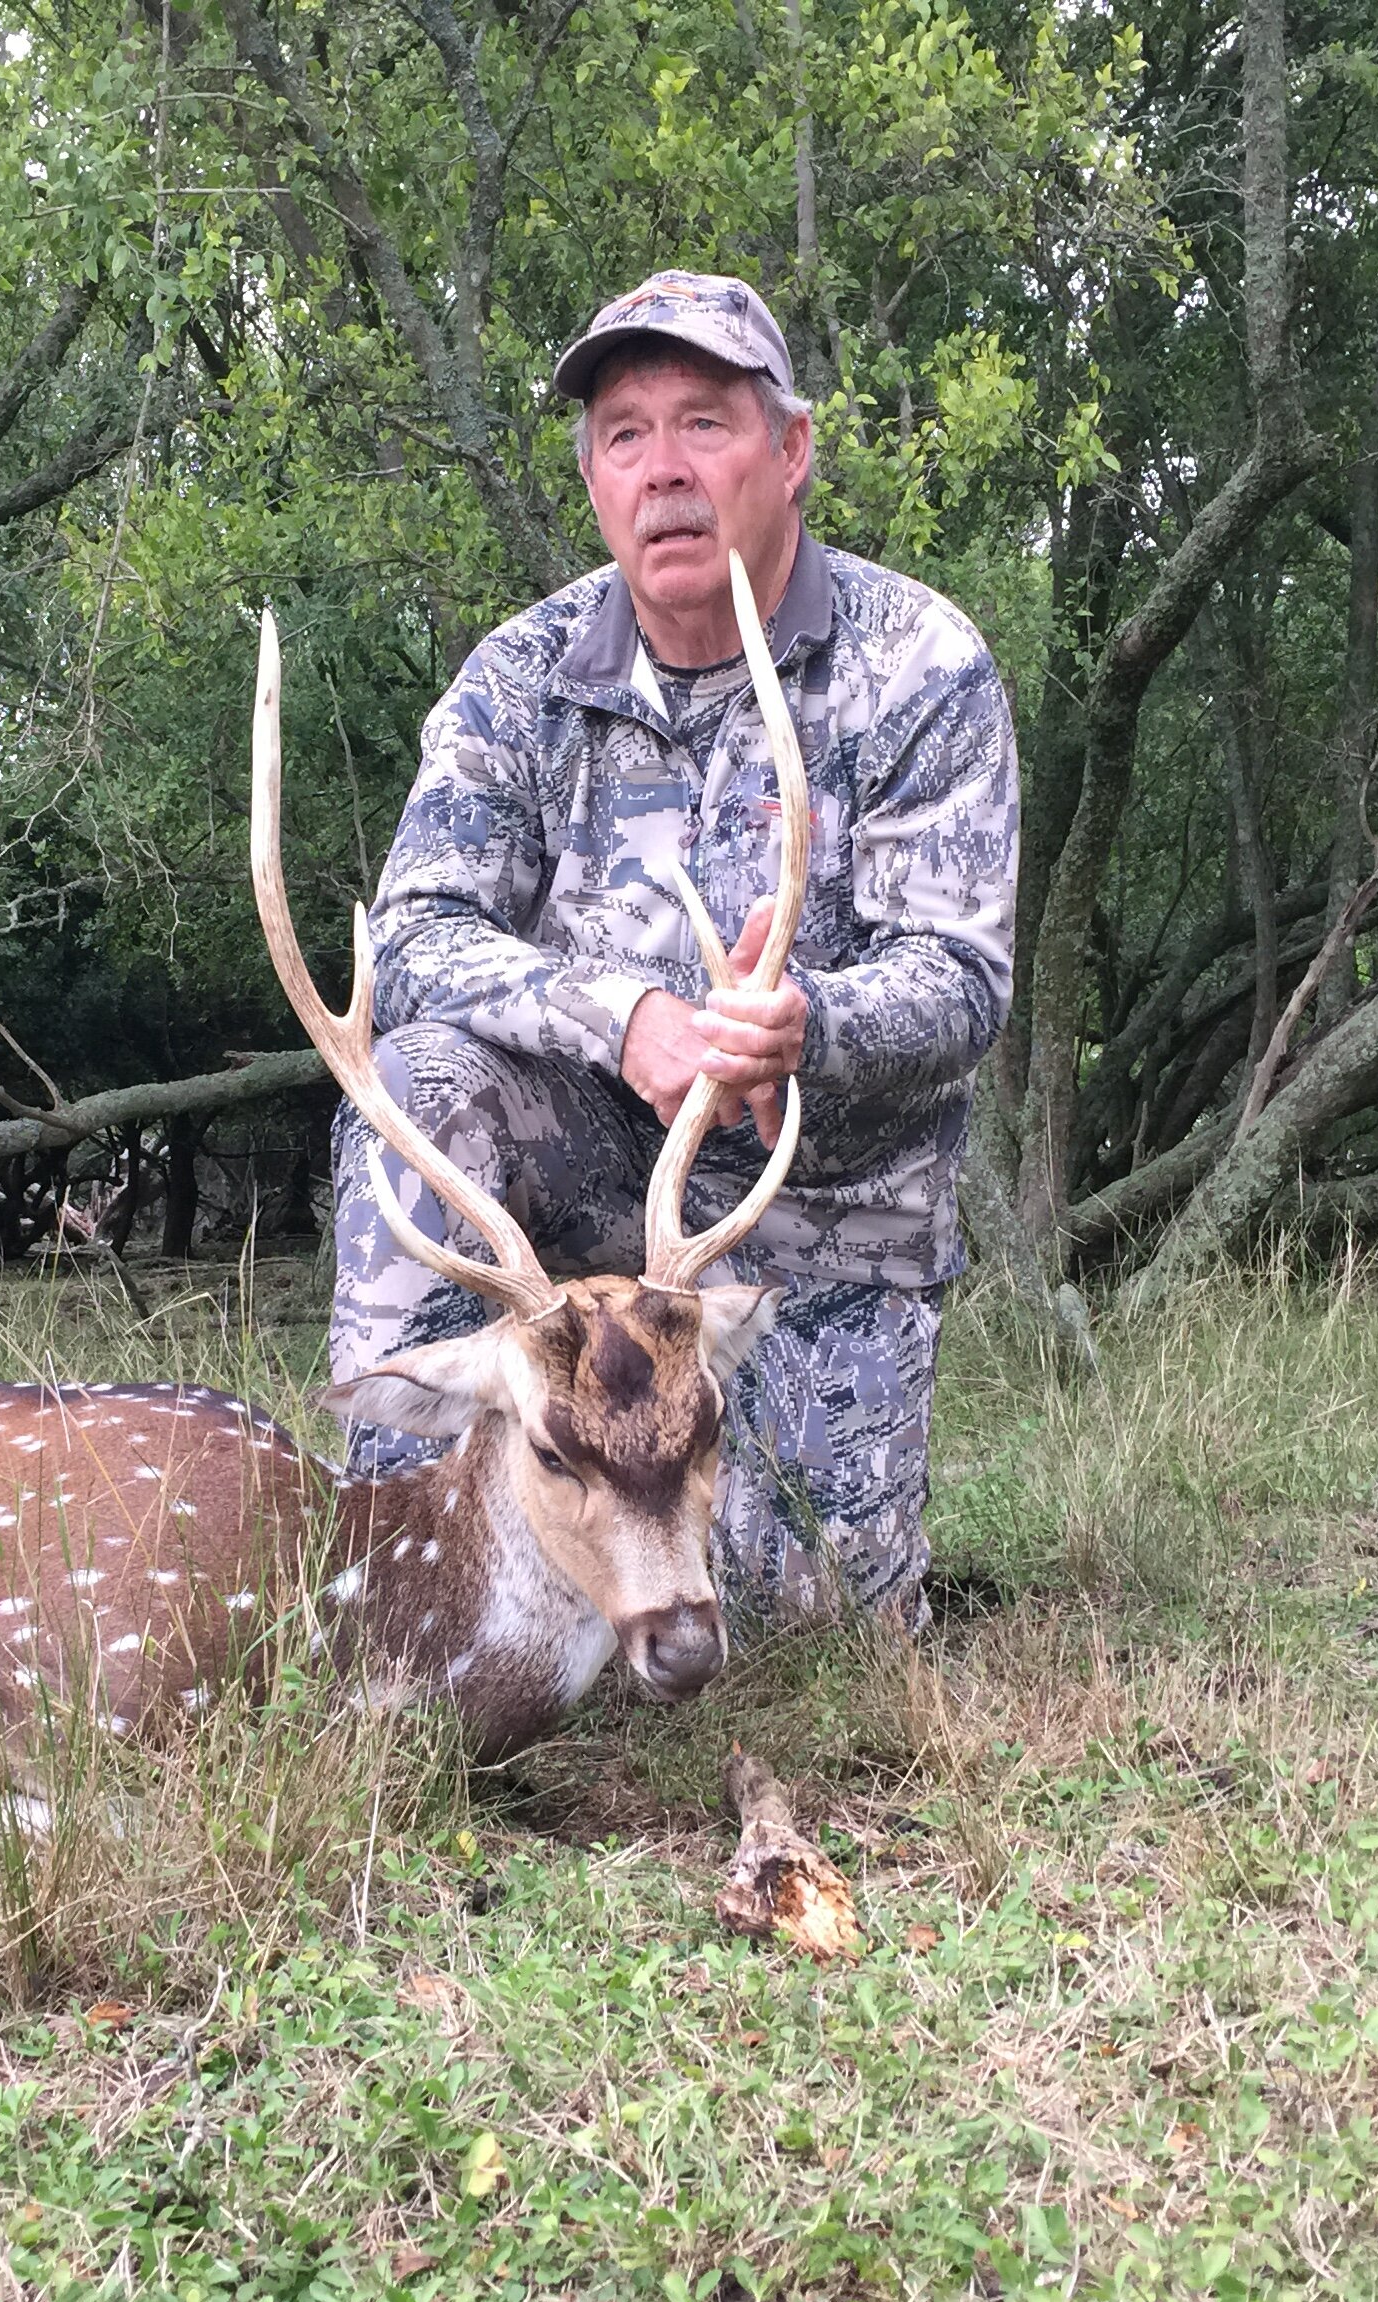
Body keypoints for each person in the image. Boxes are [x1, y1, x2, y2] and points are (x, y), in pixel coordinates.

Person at [328, 268, 1020, 1633]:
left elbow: (962, 977)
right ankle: (405, 1578)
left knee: (794, 1621)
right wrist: (623, 1015)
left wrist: (801, 1023)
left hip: (812, 1233)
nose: (665, 470)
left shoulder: (921, 665)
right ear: (593, 477)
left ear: (790, 451)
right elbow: (412, 935)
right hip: (574, 1230)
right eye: (625, 434)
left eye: (704, 422)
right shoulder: (519, 678)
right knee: (415, 1074)